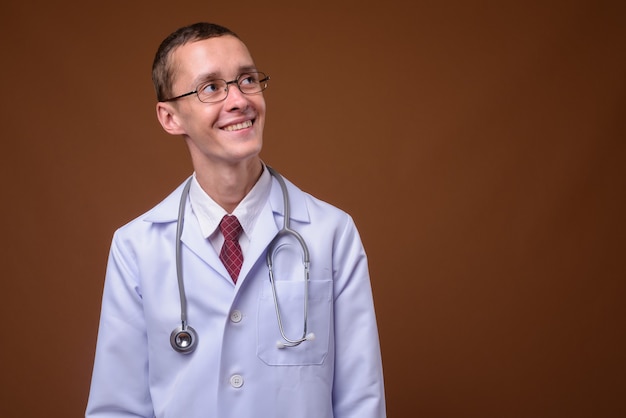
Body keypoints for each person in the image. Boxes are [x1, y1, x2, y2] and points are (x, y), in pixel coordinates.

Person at [86, 22, 386, 418]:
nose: (239, 100)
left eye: (247, 79)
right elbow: (117, 408)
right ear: (170, 117)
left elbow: (362, 403)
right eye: (211, 87)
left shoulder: (331, 233)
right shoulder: (136, 246)